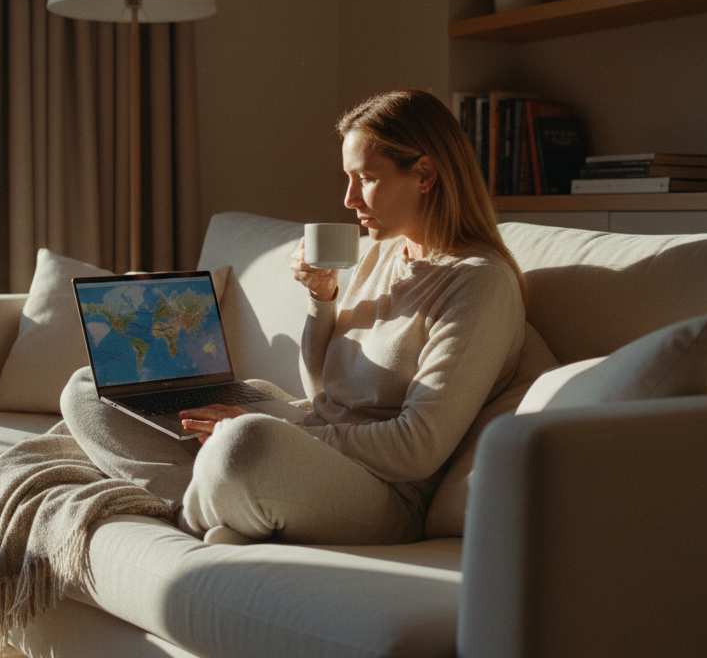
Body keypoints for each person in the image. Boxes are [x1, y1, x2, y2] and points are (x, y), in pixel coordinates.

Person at [60, 88, 532, 546]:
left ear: (425, 174)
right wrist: (321, 298)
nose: (349, 199)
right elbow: (322, 392)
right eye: (348, 178)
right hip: (311, 431)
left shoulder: (479, 284)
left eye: (366, 178)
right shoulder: (381, 253)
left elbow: (417, 448)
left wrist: (287, 433)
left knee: (245, 441)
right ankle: (197, 502)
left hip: (386, 490)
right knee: (91, 389)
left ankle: (218, 496)